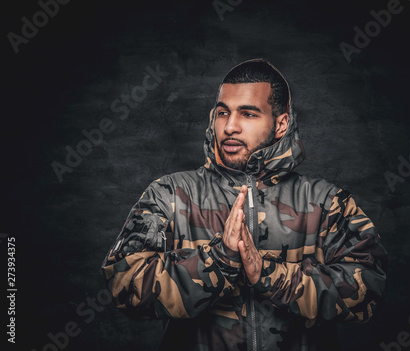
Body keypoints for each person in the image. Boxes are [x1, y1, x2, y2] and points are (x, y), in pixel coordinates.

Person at [101, 58, 387, 350]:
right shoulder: (169, 194)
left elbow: (369, 290)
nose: (230, 126)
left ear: (281, 123)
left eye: (248, 114)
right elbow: (123, 285)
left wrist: (267, 275)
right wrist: (219, 260)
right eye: (223, 112)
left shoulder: (327, 201)